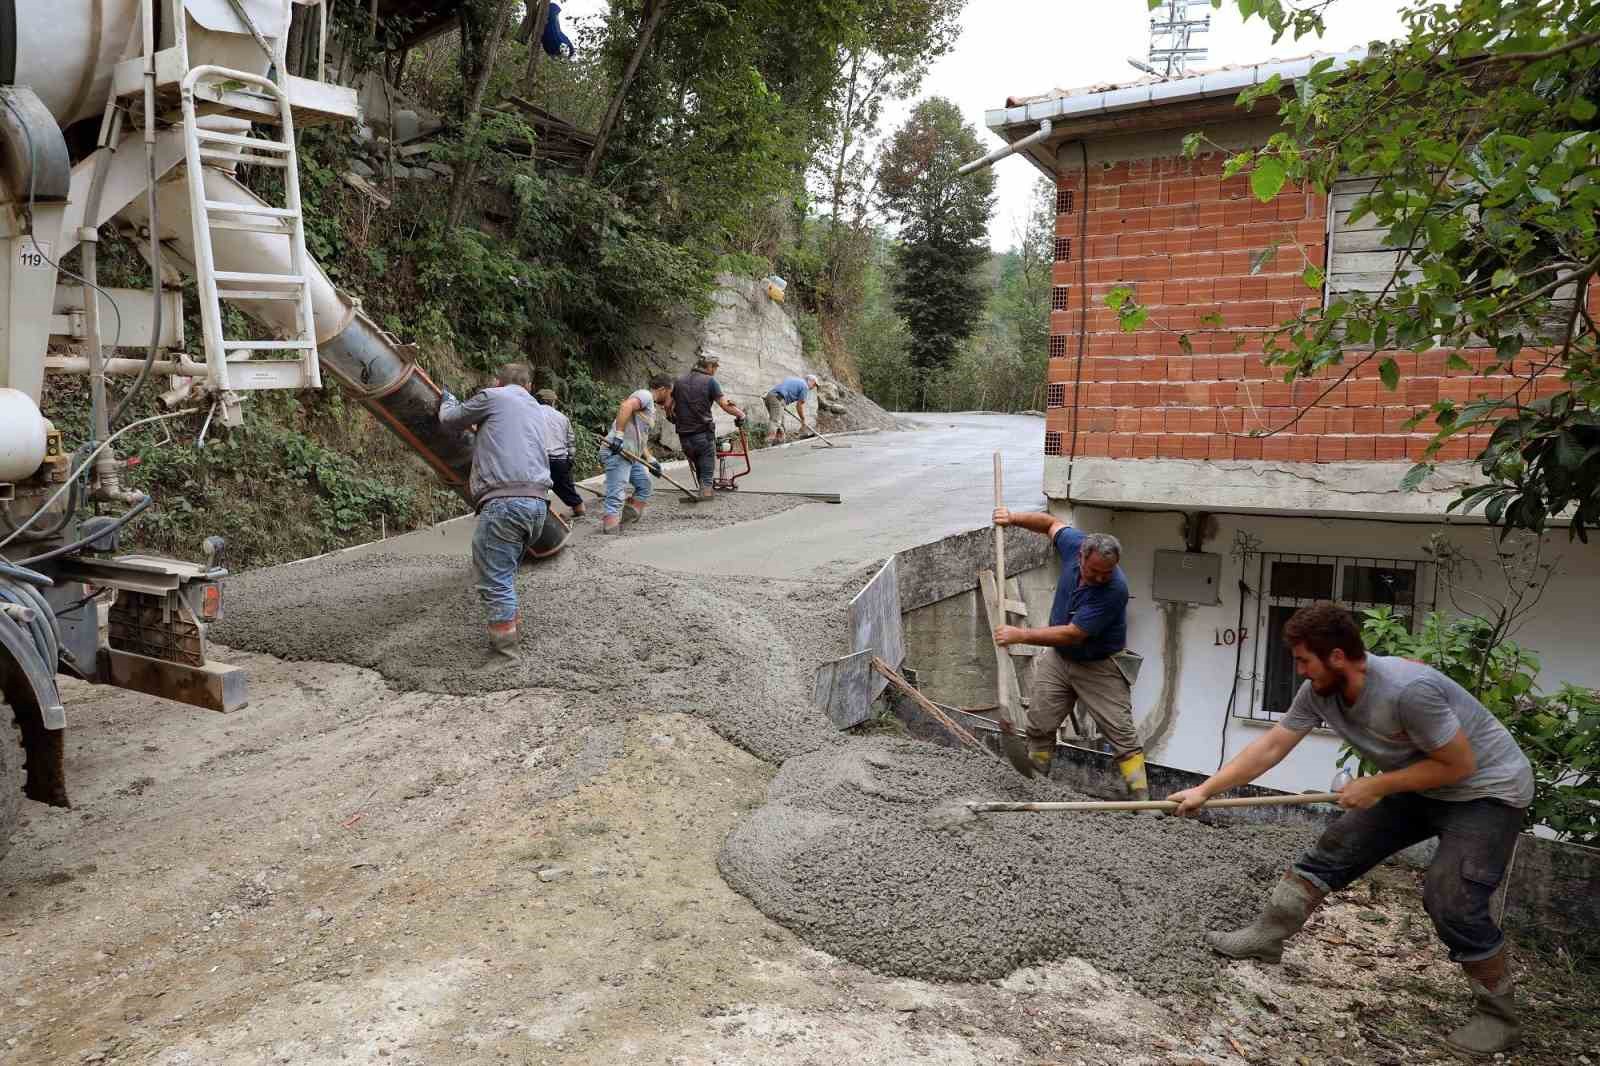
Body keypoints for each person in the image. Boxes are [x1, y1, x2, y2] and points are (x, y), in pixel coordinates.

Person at [1167, 604, 1534, 1056]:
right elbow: (1272, 744)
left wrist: (1378, 784)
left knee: (1451, 897)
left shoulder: (1408, 689)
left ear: (1337, 656)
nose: (1298, 670)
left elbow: (1459, 764)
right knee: (1333, 849)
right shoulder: (1319, 691)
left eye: (1304, 660)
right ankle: (1266, 937)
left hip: (1487, 792)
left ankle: (1499, 1016)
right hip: (1419, 783)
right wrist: (1205, 791)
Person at [990, 507, 1147, 797]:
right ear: (1081, 557)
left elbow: (1073, 634)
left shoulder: (1115, 590)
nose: (1101, 577)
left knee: (1121, 734)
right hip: (1060, 660)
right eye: (1094, 571)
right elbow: (1050, 523)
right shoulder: (1075, 542)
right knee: (1039, 724)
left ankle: (1142, 800)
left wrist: (1021, 634)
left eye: (1107, 572)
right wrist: (1012, 518)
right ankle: (1036, 782)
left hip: (1101, 667)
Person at [438, 363, 551, 657]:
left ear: (498, 382)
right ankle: (511, 630)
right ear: (528, 387)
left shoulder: (494, 396)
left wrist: (448, 399)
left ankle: (505, 653)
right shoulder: (536, 409)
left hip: (505, 503)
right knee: (505, 570)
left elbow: (450, 419)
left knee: (495, 576)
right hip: (538, 504)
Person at [601, 373, 672, 535]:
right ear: (662, 389)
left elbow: (640, 436)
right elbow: (626, 407)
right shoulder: (645, 395)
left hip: (631, 454)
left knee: (644, 485)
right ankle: (610, 526)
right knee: (617, 489)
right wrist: (618, 435)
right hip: (618, 451)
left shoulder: (650, 407)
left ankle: (628, 515)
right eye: (669, 393)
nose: (669, 397)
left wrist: (650, 458)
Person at [669, 355, 746, 499]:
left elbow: (669, 406)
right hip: (703, 434)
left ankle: (703, 492)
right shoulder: (710, 381)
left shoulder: (679, 381)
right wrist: (741, 415)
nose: (715, 371)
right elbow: (724, 404)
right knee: (706, 471)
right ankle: (705, 500)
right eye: (715, 367)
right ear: (709, 366)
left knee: (699, 468)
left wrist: (675, 419)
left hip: (684, 437)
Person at [534, 388, 583, 518]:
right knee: (566, 487)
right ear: (553, 402)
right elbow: (571, 441)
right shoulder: (563, 418)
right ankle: (579, 510)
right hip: (560, 460)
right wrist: (570, 459)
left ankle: (546, 516)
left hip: (539, 460)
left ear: (537, 400)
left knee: (537, 490)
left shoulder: (531, 415)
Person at [763, 373, 819, 444]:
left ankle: (779, 443)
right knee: (775, 421)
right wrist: (803, 419)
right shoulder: (805, 386)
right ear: (810, 381)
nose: (813, 387)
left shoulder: (795, 380)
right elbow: (799, 406)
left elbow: (782, 388)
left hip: (770, 396)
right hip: (778, 399)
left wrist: (781, 403)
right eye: (814, 384)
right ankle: (768, 442)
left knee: (780, 423)